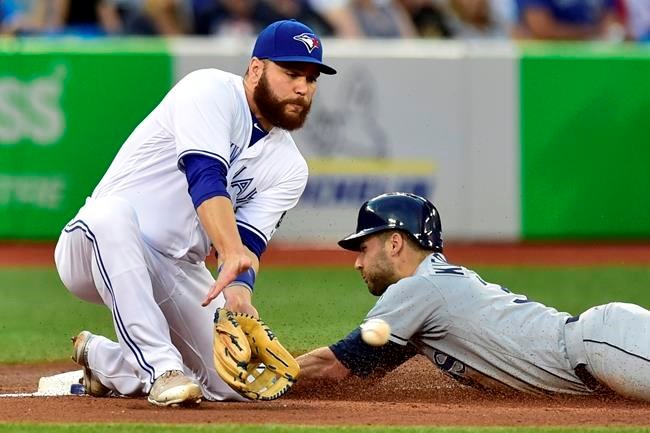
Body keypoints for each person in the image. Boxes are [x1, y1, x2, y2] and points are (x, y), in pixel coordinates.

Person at [54, 19, 336, 406]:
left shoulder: (290, 167)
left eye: (311, 78)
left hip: (175, 267)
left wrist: (239, 294)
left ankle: (105, 359)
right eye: (291, 73)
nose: (302, 88)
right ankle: (161, 369)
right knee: (112, 214)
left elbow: (247, 244)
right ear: (256, 68)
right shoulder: (208, 91)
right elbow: (206, 178)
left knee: (233, 385)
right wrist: (231, 249)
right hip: (94, 245)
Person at [297, 192, 650, 401]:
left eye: (363, 247)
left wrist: (254, 378)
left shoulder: (417, 288)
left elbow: (334, 367)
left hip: (604, 348)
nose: (357, 262)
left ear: (394, 242)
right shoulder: (429, 291)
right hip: (602, 356)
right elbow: (356, 374)